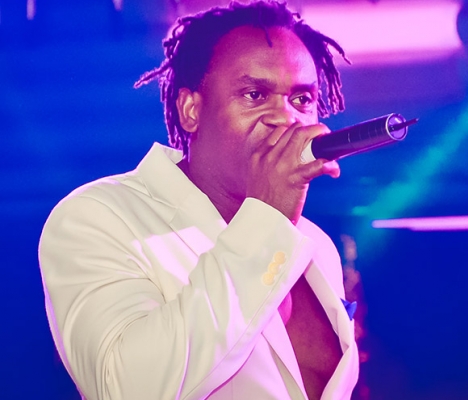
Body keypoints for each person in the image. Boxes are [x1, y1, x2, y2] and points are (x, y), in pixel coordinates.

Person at [38, 1, 359, 399]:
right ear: (190, 110)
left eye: (302, 100)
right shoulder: (98, 217)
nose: (286, 118)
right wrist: (269, 219)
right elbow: (124, 388)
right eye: (255, 94)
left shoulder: (314, 244)